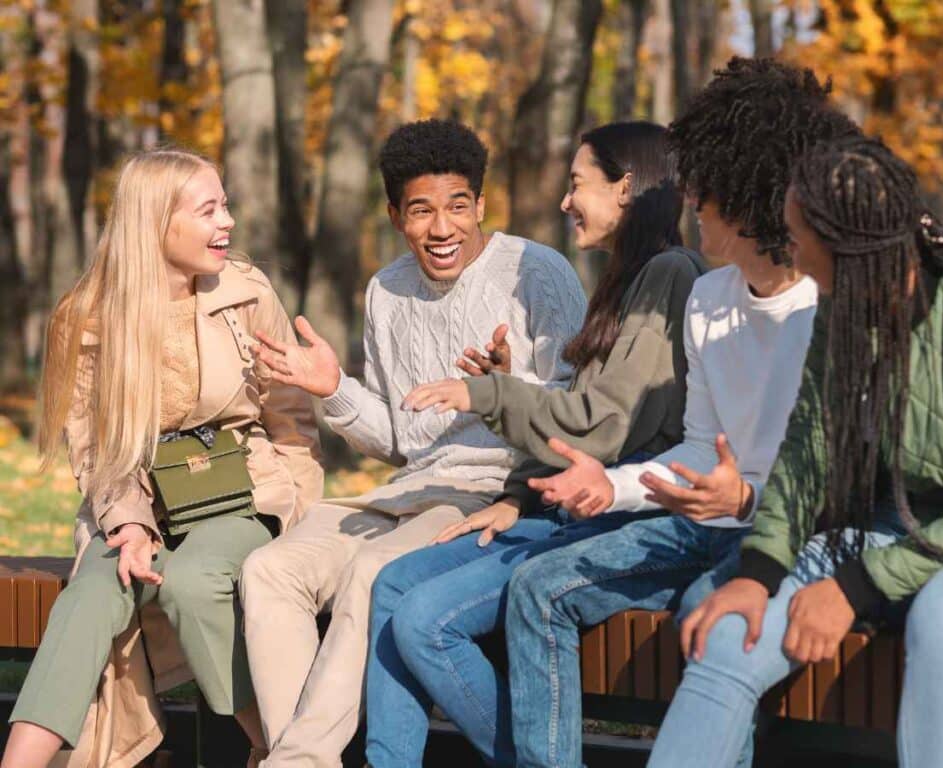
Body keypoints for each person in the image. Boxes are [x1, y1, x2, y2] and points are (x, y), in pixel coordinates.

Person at [502, 57, 861, 768]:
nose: (689, 198)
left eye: (706, 187)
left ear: (752, 195)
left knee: (707, 610)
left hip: (790, 534)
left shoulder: (827, 306)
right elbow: (699, 448)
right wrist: (612, 486)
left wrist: (746, 499)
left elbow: (846, 478)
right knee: (535, 588)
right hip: (702, 520)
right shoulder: (708, 298)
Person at [661, 135, 943, 768]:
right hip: (897, 534)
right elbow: (807, 454)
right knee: (727, 630)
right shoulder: (841, 312)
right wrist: (758, 574)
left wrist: (854, 586)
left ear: (847, 246)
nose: (791, 250)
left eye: (798, 236)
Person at [238, 118, 587, 767]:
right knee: (269, 569)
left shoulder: (537, 272)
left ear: (481, 204)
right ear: (397, 216)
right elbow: (399, 439)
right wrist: (334, 388)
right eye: (422, 210)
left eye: (458, 206)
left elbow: (579, 414)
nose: (442, 227)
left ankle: (294, 762)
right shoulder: (387, 290)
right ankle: (301, 755)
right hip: (408, 490)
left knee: (373, 571)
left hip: (495, 492)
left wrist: (507, 387)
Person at [365, 120, 706, 768]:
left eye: (578, 184)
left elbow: (602, 425)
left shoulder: (669, 274)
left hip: (619, 521)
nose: (565, 201)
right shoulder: (626, 279)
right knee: (391, 586)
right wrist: (517, 497)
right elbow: (579, 412)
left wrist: (487, 394)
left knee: (426, 622)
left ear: (625, 187)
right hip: (561, 508)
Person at [0, 149, 323, 768]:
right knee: (94, 592)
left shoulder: (247, 293)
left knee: (192, 580)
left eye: (225, 205)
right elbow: (94, 446)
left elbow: (292, 418)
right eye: (208, 210)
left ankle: (280, 750)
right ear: (156, 222)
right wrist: (127, 525)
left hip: (241, 492)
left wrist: (301, 514)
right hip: (133, 495)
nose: (227, 221)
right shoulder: (86, 315)